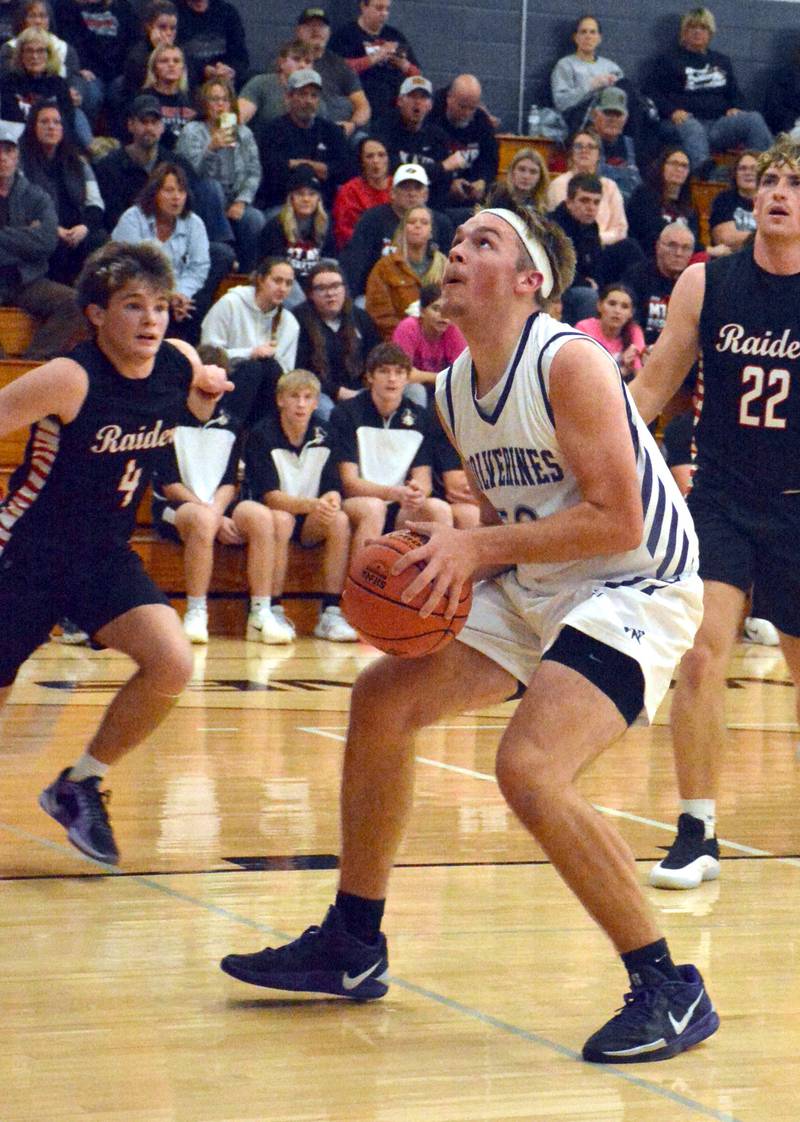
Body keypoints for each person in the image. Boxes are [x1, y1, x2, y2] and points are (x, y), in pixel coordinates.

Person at [219, 201, 719, 1065]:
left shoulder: (571, 361)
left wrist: (478, 541)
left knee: (528, 768)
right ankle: (353, 942)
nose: (456, 251)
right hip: (541, 582)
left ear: (531, 282)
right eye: (454, 242)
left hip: (636, 582)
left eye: (482, 241)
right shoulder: (451, 387)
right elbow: (507, 513)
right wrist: (439, 525)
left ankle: (672, 989)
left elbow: (615, 518)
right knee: (379, 700)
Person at [0, 240, 232, 865]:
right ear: (97, 315)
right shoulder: (69, 376)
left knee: (172, 661)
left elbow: (193, 398)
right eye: (133, 306)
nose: (151, 319)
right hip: (27, 554)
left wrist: (206, 394)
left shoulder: (177, 360)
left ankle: (79, 784)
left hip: (104, 554)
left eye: (159, 305)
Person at [628, 133, 800, 890]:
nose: (778, 192)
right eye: (769, 179)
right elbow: (652, 389)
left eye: (794, 182)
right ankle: (696, 827)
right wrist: (592, 444)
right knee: (700, 653)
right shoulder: (708, 282)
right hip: (724, 498)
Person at [152, 364, 294, 647]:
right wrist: (212, 516)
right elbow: (170, 484)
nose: (208, 396)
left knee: (262, 517)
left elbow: (229, 482)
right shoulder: (167, 421)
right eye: (203, 389)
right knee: (202, 521)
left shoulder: (232, 424)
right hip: (175, 507)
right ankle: (195, 612)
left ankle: (260, 613)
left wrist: (216, 512)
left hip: (216, 506)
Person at [245, 367, 367, 643]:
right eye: (294, 396)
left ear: (316, 402)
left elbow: (333, 486)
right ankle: (273, 608)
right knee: (281, 518)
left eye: (307, 397)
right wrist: (314, 504)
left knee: (339, 520)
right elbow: (271, 497)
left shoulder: (326, 433)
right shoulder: (262, 435)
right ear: (280, 400)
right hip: (278, 516)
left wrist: (332, 500)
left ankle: (331, 613)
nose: (301, 404)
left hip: (310, 518)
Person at [325, 341, 452, 551]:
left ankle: (431, 583)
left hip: (400, 501)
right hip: (359, 501)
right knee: (374, 508)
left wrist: (417, 493)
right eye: (384, 372)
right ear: (370, 377)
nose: (392, 379)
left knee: (439, 509)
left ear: (407, 377)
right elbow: (349, 482)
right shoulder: (347, 413)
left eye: (399, 372)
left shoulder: (420, 417)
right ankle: (361, 582)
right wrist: (394, 493)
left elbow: (424, 479)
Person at [111, 161, 229, 342]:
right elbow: (128, 266)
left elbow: (198, 268)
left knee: (194, 304)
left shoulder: (194, 222)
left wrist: (181, 294)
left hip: (178, 293)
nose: (176, 197)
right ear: (154, 193)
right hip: (139, 288)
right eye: (169, 190)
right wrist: (166, 295)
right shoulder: (133, 219)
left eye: (181, 192)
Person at [645, 6, 772, 172]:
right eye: (692, 27)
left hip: (717, 125)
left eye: (703, 27)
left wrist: (736, 108)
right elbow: (651, 91)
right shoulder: (668, 59)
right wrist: (672, 111)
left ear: (710, 32)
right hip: (680, 124)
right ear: (684, 32)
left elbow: (735, 93)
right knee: (692, 127)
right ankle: (703, 172)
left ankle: (766, 171)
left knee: (753, 119)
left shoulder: (721, 61)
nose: (698, 32)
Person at [0, 119, 86, 359]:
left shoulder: (36, 196)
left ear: (16, 154)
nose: (2, 157)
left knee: (74, 302)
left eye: (8, 150)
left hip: (27, 280)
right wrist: (25, 234)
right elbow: (35, 242)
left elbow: (47, 241)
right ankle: (4, 371)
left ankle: (31, 365)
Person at [200, 256, 299, 431]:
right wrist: (249, 353)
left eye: (288, 283)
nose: (283, 288)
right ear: (260, 279)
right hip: (225, 379)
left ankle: (259, 437)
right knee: (253, 369)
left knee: (271, 368)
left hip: (264, 390)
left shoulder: (289, 322)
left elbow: (286, 372)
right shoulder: (230, 303)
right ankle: (226, 429)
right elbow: (207, 353)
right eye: (277, 281)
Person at [175, 76, 263, 272]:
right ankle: (225, 249)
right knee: (212, 188)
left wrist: (242, 200)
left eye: (225, 99)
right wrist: (211, 149)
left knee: (254, 218)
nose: (220, 105)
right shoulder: (192, 131)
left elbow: (254, 172)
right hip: (201, 199)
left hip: (234, 199)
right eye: (215, 100)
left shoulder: (244, 133)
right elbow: (189, 174)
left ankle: (250, 274)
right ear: (205, 104)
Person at [19, 99, 107, 285]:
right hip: (40, 229)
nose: (51, 127)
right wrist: (53, 229)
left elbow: (95, 202)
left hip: (76, 231)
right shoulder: (20, 162)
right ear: (33, 126)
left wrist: (84, 227)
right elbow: (20, 204)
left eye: (56, 122)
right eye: (44, 122)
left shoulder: (78, 162)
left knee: (100, 240)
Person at [340, 161, 453, 296]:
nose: (412, 193)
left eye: (417, 188)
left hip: (430, 299)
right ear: (392, 193)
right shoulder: (372, 219)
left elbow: (450, 269)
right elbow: (355, 264)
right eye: (405, 187)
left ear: (426, 194)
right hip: (380, 293)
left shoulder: (442, 223)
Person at [256, 67, 352, 212]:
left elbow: (345, 170)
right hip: (282, 205)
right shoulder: (273, 130)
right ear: (288, 97)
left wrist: (299, 164)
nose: (308, 101)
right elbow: (272, 171)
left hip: (324, 206)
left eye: (314, 96)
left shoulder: (331, 131)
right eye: (302, 94)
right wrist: (320, 168)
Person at [294, 259, 381, 418]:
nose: (330, 293)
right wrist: (338, 392)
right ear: (311, 294)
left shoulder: (360, 317)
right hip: (317, 390)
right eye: (321, 288)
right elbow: (302, 369)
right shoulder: (299, 320)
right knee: (327, 411)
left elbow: (376, 356)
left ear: (344, 289)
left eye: (335, 286)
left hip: (359, 388)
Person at [365, 203, 448, 339]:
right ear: (403, 229)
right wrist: (408, 333)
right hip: (398, 341)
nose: (417, 226)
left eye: (424, 222)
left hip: (439, 343)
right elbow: (379, 314)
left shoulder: (444, 265)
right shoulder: (385, 267)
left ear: (431, 231)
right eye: (411, 222)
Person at [329, 0, 420, 123]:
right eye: (379, 8)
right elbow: (337, 69)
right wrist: (375, 57)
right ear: (363, 6)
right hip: (357, 102)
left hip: (391, 108)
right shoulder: (345, 35)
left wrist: (404, 65)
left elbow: (417, 74)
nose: (384, 13)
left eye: (387, 9)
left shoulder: (395, 36)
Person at [52, 0, 138, 128]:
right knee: (92, 94)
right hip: (86, 72)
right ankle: (90, 141)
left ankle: (119, 141)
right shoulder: (67, 7)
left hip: (117, 72)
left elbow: (132, 43)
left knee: (124, 89)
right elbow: (67, 43)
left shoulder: (123, 7)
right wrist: (77, 67)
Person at [257, 164, 336, 300]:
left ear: (318, 199)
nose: (306, 199)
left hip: (314, 281)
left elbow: (330, 260)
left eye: (312, 194)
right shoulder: (276, 225)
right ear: (291, 197)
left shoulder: (326, 224)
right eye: (300, 194)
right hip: (286, 281)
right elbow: (273, 266)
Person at [293, 6, 371, 140]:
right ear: (298, 31)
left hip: (339, 131)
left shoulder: (341, 65)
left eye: (321, 26)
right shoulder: (288, 60)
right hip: (301, 128)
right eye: (310, 25)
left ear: (329, 32)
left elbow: (363, 106)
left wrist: (351, 125)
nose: (316, 30)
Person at [428, 73, 499, 210]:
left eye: (472, 108)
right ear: (449, 98)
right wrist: (448, 183)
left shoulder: (482, 121)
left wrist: (483, 181)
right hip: (436, 197)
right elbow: (427, 164)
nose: (467, 113)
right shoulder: (431, 120)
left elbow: (490, 159)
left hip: (471, 198)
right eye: (462, 106)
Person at [547, 128, 628, 246]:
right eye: (579, 146)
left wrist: (596, 240)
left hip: (606, 246)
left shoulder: (610, 186)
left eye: (590, 146)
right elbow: (562, 223)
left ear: (599, 155)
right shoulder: (558, 184)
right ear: (571, 152)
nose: (584, 150)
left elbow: (620, 229)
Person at [623, 221, 696, 348]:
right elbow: (628, 322)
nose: (678, 253)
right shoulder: (637, 276)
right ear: (658, 247)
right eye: (672, 246)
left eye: (686, 248)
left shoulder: (695, 283)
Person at [391, 281, 466, 402]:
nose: (443, 315)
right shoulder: (408, 328)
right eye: (436, 309)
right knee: (417, 391)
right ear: (422, 311)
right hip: (409, 387)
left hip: (440, 387)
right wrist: (442, 377)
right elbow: (402, 373)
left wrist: (423, 376)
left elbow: (461, 376)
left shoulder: (454, 330)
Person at [550, 13, 624, 134]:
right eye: (583, 32)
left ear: (599, 38)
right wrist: (591, 85)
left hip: (610, 119)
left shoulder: (611, 67)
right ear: (576, 37)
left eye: (592, 32)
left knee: (627, 86)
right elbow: (561, 103)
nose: (588, 36)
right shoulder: (565, 65)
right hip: (580, 122)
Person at [0, 25, 79, 139]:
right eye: (29, 51)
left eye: (40, 51)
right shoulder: (8, 83)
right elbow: (10, 123)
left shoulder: (59, 84)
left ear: (49, 55)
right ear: (20, 55)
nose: (35, 56)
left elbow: (67, 125)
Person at [626, 147, 699, 256]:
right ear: (662, 167)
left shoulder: (689, 204)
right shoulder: (643, 195)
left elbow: (695, 239)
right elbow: (648, 236)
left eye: (684, 166)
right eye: (674, 163)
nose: (679, 169)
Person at [238, 39, 314, 136]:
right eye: (296, 59)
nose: (302, 65)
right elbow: (238, 118)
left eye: (308, 62)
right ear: (282, 62)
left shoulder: (316, 96)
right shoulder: (261, 84)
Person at [575, 282, 646, 381]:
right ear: (599, 306)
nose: (617, 311)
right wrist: (621, 368)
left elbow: (641, 377)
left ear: (631, 313)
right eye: (612, 304)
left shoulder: (634, 331)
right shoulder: (584, 328)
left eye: (624, 307)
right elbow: (584, 372)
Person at [332, 135, 391, 249]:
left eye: (381, 155)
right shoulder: (349, 191)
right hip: (361, 251)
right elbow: (343, 231)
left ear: (388, 158)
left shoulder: (399, 187)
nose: (376, 161)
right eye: (369, 156)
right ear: (361, 161)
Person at [174, 0, 248, 91]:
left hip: (224, 85)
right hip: (188, 85)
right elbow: (169, 54)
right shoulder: (174, 11)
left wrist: (230, 69)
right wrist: (203, 70)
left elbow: (240, 56)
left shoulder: (227, 12)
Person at [588, 87, 641, 202]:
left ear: (625, 119)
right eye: (608, 113)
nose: (612, 119)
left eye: (618, 115)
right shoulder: (585, 144)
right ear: (594, 115)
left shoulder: (633, 146)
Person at [140, 41, 196, 150]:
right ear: (154, 68)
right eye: (164, 61)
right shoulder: (143, 99)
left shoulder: (193, 99)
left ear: (182, 68)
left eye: (176, 61)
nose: (171, 65)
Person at [709, 149, 758, 253]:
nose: (748, 173)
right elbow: (724, 238)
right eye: (742, 169)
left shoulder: (769, 201)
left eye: (754, 169)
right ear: (735, 174)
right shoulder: (724, 200)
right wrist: (764, 235)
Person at [496, 146, 549, 212]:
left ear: (540, 177)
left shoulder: (543, 205)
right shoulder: (497, 196)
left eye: (533, 172)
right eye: (521, 169)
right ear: (512, 171)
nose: (526, 176)